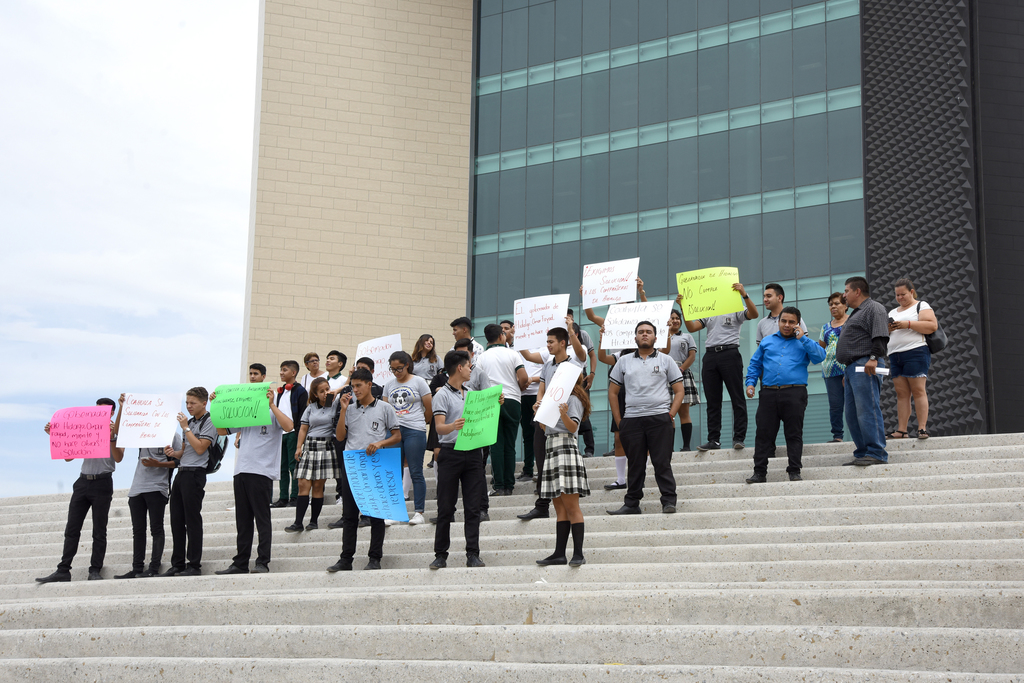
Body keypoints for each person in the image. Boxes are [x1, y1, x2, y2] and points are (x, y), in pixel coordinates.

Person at [36, 398, 124, 583]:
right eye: (98, 410)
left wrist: (111, 437)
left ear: (112, 413)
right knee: (72, 528)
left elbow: (118, 457)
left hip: (102, 482)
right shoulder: (87, 427)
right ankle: (63, 569)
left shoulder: (117, 430)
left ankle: (95, 570)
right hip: (83, 481)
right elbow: (69, 457)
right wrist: (57, 435)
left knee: (99, 530)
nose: (101, 413)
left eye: (105, 410)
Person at [606, 321, 685, 516]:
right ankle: (632, 504)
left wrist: (671, 414)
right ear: (634, 337)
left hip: (660, 418)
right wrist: (619, 421)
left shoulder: (666, 360)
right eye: (640, 332)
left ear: (655, 338)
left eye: (648, 332)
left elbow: (679, 390)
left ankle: (668, 501)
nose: (644, 334)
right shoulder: (623, 361)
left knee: (662, 462)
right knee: (635, 464)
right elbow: (613, 392)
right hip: (632, 420)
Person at [214, 385, 294, 574]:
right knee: (243, 521)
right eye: (251, 374)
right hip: (241, 471)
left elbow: (290, 426)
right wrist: (216, 405)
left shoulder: (273, 413)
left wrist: (272, 405)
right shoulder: (245, 413)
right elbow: (221, 430)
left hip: (261, 472)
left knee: (262, 519)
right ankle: (240, 563)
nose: (252, 377)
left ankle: (262, 561)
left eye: (256, 374)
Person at [327, 368, 401, 572]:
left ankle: (375, 558)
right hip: (352, 463)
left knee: (376, 514)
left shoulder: (385, 407)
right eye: (353, 386)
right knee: (350, 515)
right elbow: (340, 437)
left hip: (374, 464)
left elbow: (397, 435)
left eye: (359, 385)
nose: (355, 389)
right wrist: (342, 410)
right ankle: (345, 559)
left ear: (370, 384)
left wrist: (380, 443)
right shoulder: (349, 408)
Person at [744, 307, 826, 483]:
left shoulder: (804, 342)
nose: (787, 325)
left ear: (798, 323)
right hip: (768, 393)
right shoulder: (767, 342)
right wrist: (750, 383)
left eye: (791, 322)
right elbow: (755, 364)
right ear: (779, 321)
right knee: (763, 434)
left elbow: (820, 356)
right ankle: (759, 472)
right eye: (784, 321)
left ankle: (794, 471)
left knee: (794, 433)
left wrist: (803, 337)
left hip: (794, 393)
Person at [516, 323, 587, 521]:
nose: (547, 345)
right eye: (547, 342)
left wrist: (571, 329)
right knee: (541, 458)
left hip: (564, 418)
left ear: (563, 343)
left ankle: (562, 501)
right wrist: (538, 406)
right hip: (545, 417)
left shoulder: (575, 364)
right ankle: (542, 504)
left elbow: (576, 389)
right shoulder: (547, 365)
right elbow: (543, 389)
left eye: (551, 342)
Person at [429, 350, 492, 569]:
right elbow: (439, 427)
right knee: (446, 506)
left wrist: (497, 401)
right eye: (468, 366)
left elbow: (486, 414)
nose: (470, 369)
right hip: (450, 452)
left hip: (473, 452)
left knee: (473, 507)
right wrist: (452, 426)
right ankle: (440, 554)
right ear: (459, 368)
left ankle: (473, 553)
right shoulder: (442, 395)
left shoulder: (472, 392)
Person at [683, 283, 759, 450]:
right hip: (710, 355)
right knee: (712, 401)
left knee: (737, 397)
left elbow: (754, 314)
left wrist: (744, 294)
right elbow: (692, 327)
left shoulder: (735, 307)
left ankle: (739, 438)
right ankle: (713, 440)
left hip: (730, 353)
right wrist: (683, 308)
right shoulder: (708, 310)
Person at [114, 393, 180, 579]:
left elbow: (179, 462)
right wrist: (122, 408)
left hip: (157, 488)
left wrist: (158, 464)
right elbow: (119, 434)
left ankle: (153, 568)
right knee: (138, 531)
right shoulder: (140, 434)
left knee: (156, 529)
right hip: (136, 489)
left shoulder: (173, 436)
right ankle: (136, 568)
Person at [160, 387, 218, 577]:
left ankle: (194, 565)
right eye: (187, 403)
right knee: (176, 519)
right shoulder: (190, 422)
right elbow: (185, 451)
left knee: (192, 520)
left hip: (195, 474)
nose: (189, 406)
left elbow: (201, 448)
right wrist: (173, 453)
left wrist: (186, 428)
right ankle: (177, 563)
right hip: (182, 472)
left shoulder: (210, 421)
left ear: (204, 403)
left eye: (192, 403)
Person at [536, 373, 592, 567]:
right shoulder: (554, 398)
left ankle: (578, 554)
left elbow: (573, 427)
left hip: (566, 448)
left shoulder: (574, 398)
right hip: (551, 449)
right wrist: (539, 413)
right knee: (559, 507)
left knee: (571, 506)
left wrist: (563, 414)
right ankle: (559, 554)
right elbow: (545, 428)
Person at [836, 276, 891, 466]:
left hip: (866, 364)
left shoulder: (873, 308)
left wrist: (874, 359)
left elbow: (880, 336)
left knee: (867, 408)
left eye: (846, 291)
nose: (844, 295)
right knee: (852, 413)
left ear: (857, 291)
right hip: (852, 369)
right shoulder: (857, 312)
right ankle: (862, 452)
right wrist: (847, 372)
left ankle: (876, 452)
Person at [475, 324, 529, 496]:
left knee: (496, 445)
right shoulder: (513, 354)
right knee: (510, 445)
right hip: (513, 400)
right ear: (501, 336)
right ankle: (509, 486)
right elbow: (523, 377)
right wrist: (518, 387)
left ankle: (499, 486)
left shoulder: (481, 358)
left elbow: (478, 383)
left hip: (491, 400)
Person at [383, 350, 432, 524]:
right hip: (394, 431)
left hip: (414, 430)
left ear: (408, 366)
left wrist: (419, 423)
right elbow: (386, 410)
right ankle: (395, 512)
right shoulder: (388, 385)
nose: (397, 372)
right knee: (393, 472)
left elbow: (429, 408)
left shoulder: (419, 382)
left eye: (400, 368)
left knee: (415, 470)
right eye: (393, 369)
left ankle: (419, 512)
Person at [887, 278, 939, 440]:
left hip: (916, 351)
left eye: (903, 294)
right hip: (895, 354)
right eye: (897, 295)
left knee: (918, 390)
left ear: (911, 292)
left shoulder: (921, 306)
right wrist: (889, 328)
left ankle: (922, 428)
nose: (900, 298)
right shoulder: (892, 312)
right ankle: (902, 430)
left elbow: (931, 325)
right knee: (901, 393)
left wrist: (907, 324)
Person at [288, 378, 339, 532]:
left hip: (326, 446)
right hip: (309, 446)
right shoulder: (310, 407)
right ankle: (298, 522)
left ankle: (313, 521)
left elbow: (347, 387)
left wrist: (333, 392)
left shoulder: (335, 404)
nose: (325, 393)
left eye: (327, 389)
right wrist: (299, 447)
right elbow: (303, 428)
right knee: (303, 484)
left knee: (318, 486)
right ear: (315, 394)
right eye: (321, 391)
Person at [503, 319, 541, 482]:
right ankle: (527, 469)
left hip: (538, 394)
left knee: (539, 433)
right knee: (526, 433)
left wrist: (530, 380)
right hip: (520, 395)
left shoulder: (542, 347)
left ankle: (541, 470)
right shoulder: (513, 349)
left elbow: (547, 371)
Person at [662, 308, 700, 451]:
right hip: (664, 376)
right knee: (668, 413)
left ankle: (686, 446)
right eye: (672, 318)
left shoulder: (687, 336)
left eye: (678, 318)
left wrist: (681, 369)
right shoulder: (660, 337)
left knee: (684, 412)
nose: (675, 320)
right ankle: (669, 448)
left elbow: (692, 356)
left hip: (682, 373)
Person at [273, 360, 308, 508]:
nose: (281, 373)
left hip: (293, 432)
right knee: (281, 466)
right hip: (280, 434)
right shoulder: (280, 392)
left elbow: (302, 414)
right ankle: (283, 497)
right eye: (281, 370)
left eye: (285, 370)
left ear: (293, 373)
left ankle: (294, 496)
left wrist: (300, 434)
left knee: (294, 465)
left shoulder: (300, 391)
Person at [565, 308, 597, 457]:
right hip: (563, 378)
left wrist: (591, 373)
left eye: (569, 316)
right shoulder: (559, 335)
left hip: (580, 377)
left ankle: (589, 449)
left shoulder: (581, 334)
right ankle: (574, 447)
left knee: (583, 411)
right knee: (568, 411)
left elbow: (592, 355)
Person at [819, 293, 850, 442]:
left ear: (845, 305)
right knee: (835, 405)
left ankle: (861, 434)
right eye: (831, 304)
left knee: (855, 403)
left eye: (837, 303)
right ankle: (837, 435)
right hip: (830, 371)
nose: (833, 306)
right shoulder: (825, 327)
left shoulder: (852, 322)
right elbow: (821, 348)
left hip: (849, 368)